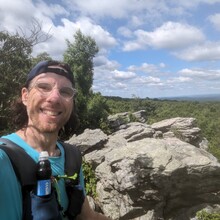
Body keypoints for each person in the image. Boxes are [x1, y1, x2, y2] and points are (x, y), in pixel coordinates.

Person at [0, 60, 110, 220]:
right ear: (25, 96)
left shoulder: (72, 157)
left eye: (65, 91)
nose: (55, 98)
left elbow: (87, 216)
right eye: (44, 87)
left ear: (71, 103)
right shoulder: (5, 159)